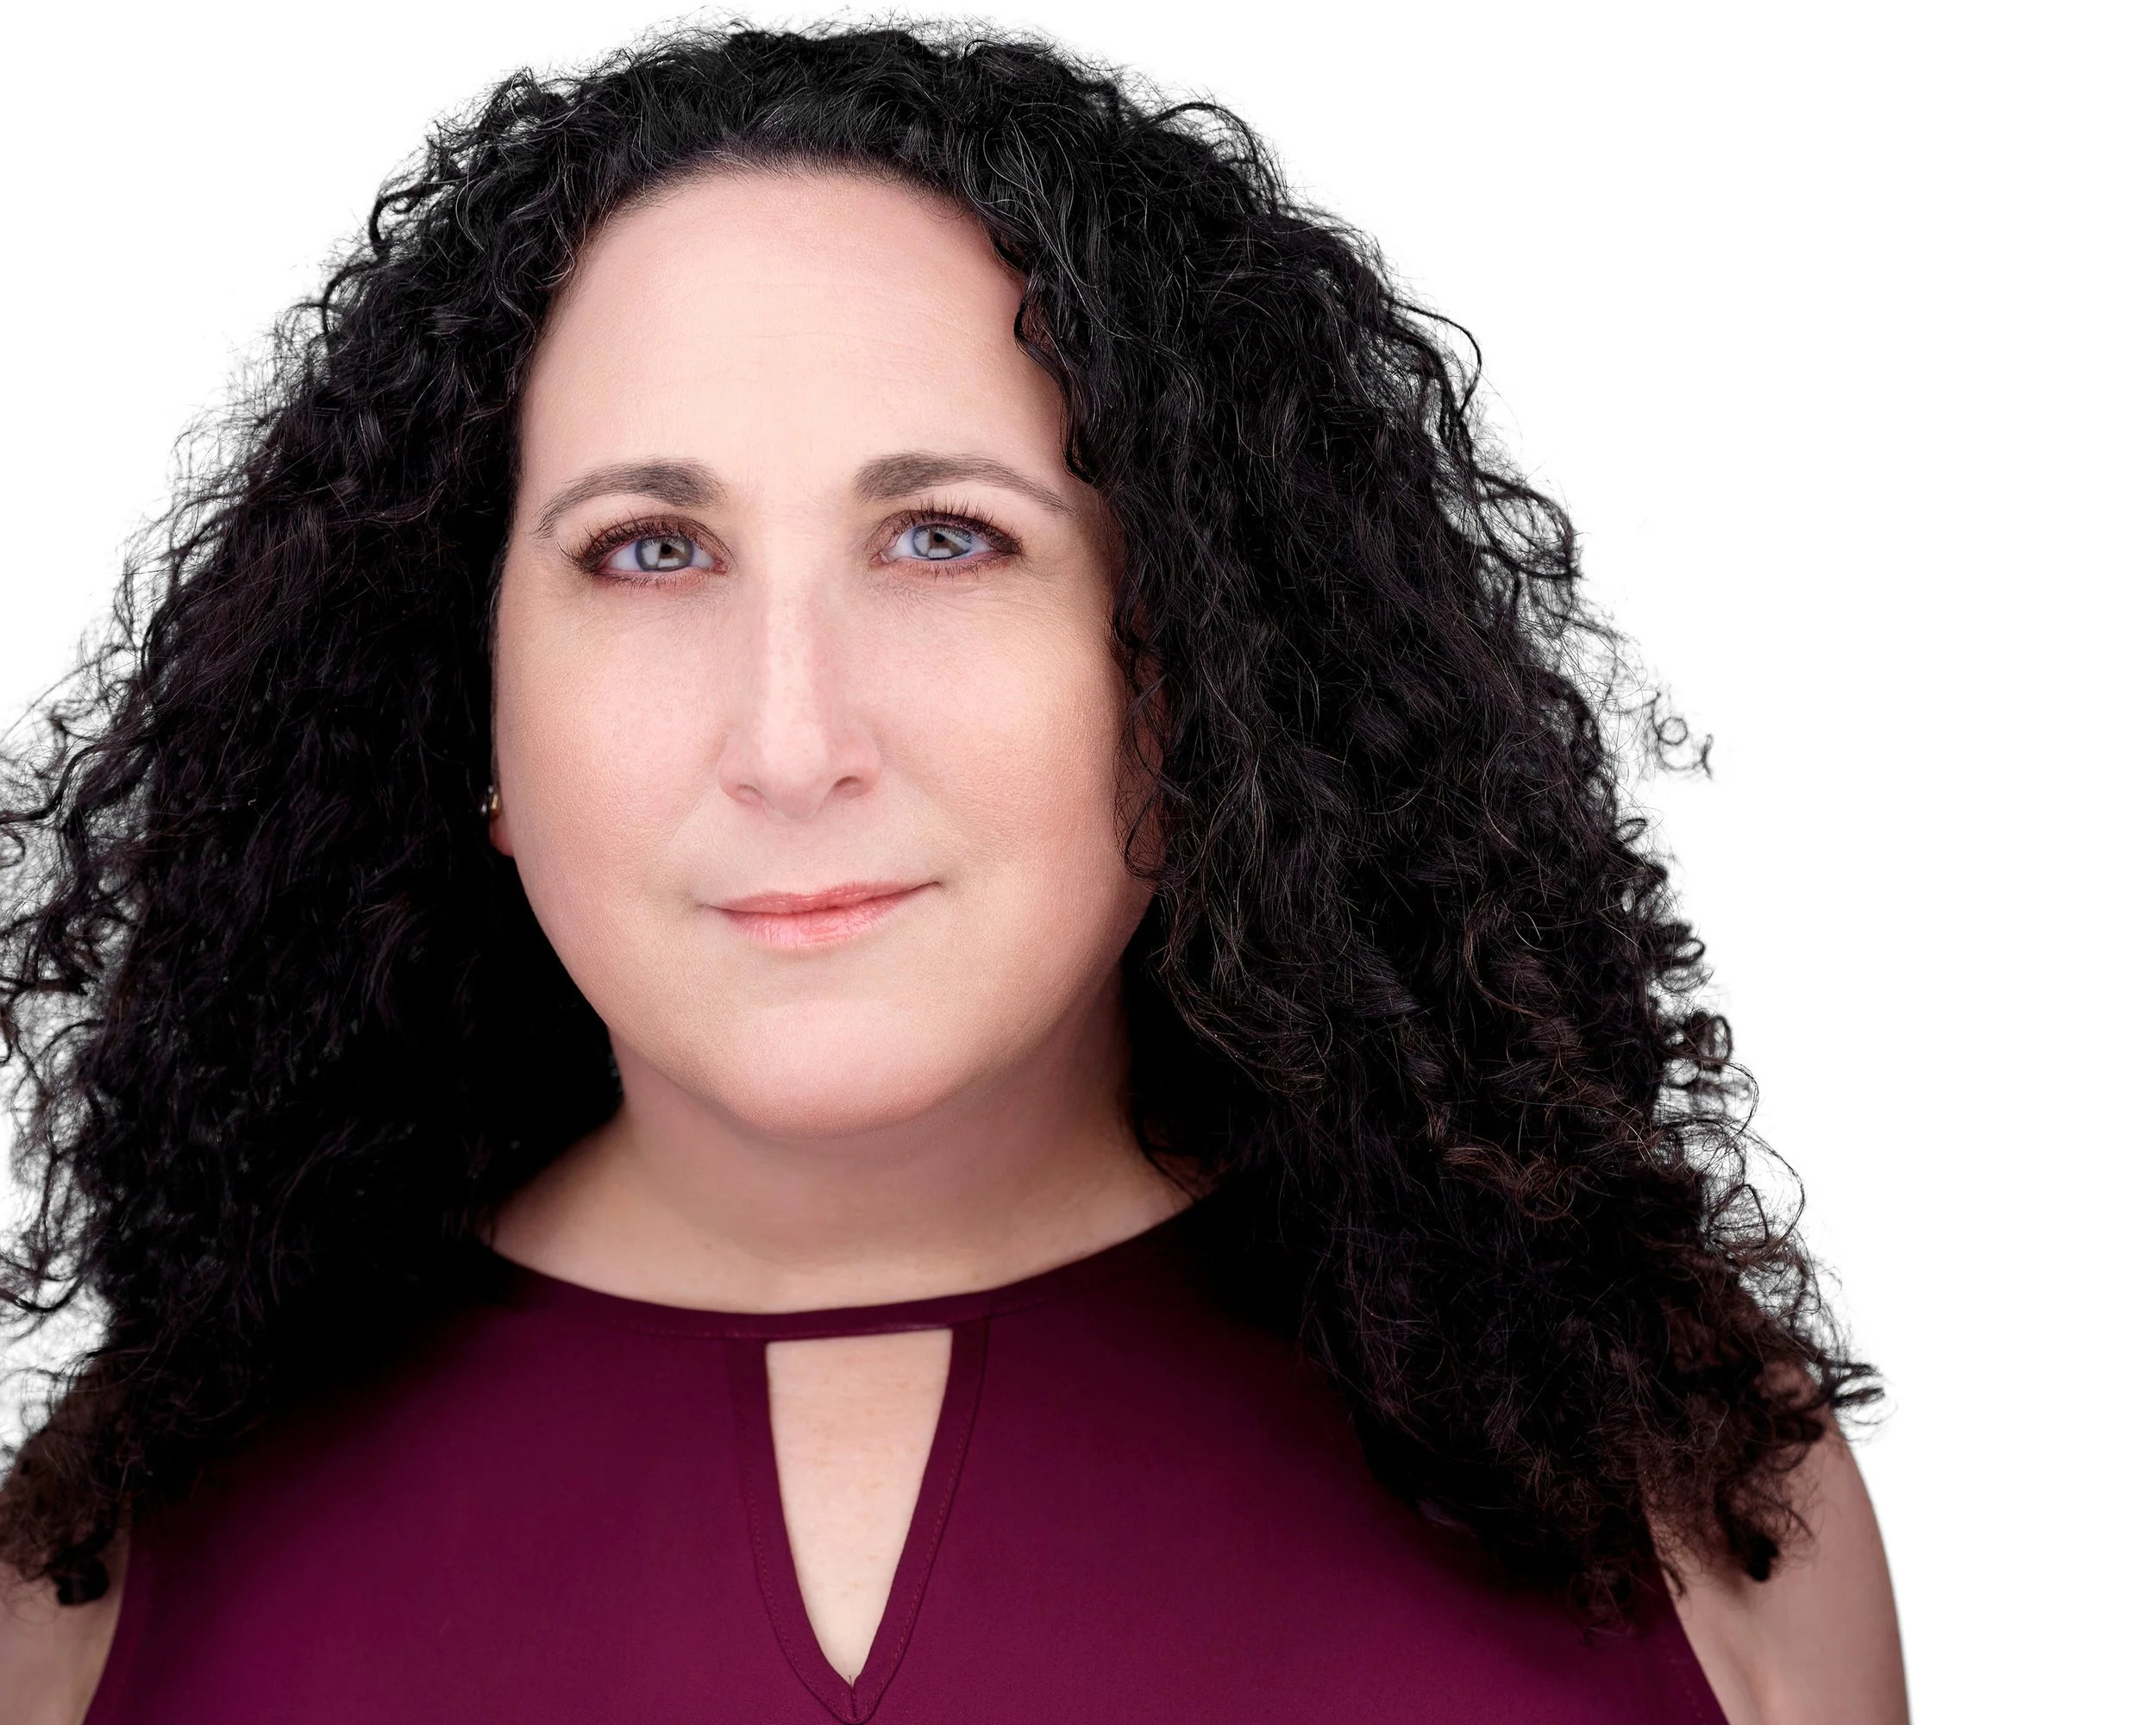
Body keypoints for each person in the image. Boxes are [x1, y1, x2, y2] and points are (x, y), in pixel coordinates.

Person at [0, 23, 1905, 1723]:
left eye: (942, 538)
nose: (791, 739)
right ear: (464, 709)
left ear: (1193, 662)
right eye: (648, 551)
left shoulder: (1674, 1483)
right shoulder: (100, 1571)